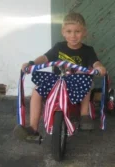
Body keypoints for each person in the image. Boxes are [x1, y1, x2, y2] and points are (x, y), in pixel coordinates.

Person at [14, 12, 106, 140]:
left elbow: (95, 62)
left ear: (84, 32)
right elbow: (45, 57)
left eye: (77, 31)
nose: (73, 36)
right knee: (36, 91)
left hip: (77, 82)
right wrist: (32, 63)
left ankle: (84, 114)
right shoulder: (59, 47)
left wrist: (99, 67)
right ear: (63, 32)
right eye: (69, 31)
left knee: (87, 81)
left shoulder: (87, 50)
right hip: (57, 81)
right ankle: (33, 128)